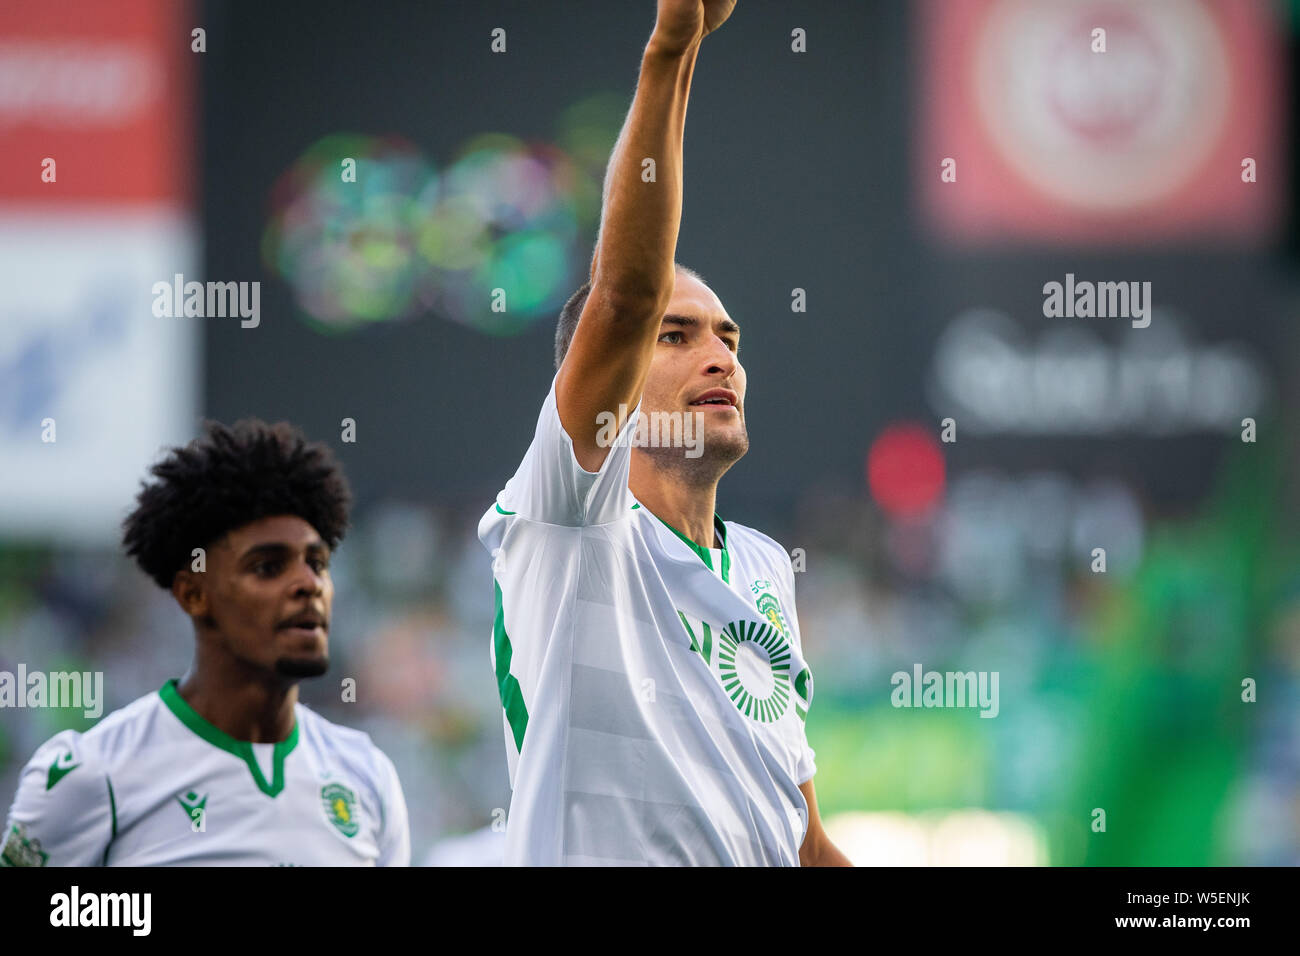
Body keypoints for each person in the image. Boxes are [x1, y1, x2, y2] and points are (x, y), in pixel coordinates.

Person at [478, 0, 851, 866]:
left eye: (729, 337)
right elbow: (622, 294)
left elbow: (802, 839)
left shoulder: (763, 565)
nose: (719, 355)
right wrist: (672, 47)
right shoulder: (569, 520)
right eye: (675, 336)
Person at [1, 419, 410, 866]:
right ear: (194, 594)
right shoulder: (88, 775)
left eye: (317, 563)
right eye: (268, 567)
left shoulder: (367, 775)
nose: (308, 584)